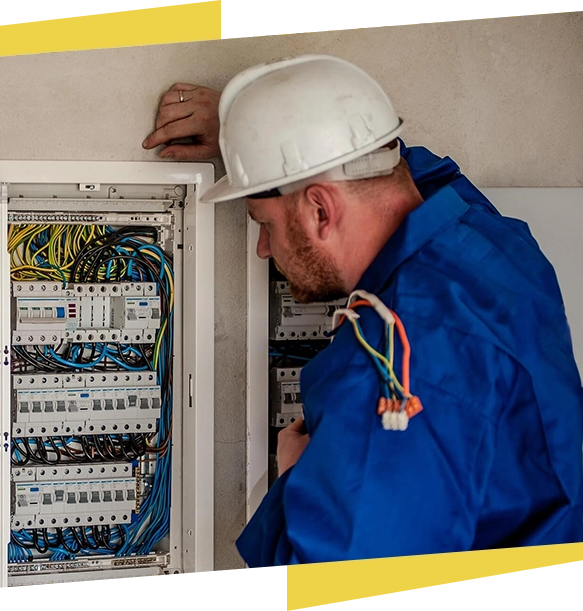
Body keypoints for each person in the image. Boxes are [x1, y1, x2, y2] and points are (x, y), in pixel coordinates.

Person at [143, 55, 583, 568]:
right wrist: (254, 135)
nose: (262, 248)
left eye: (263, 222)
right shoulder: (494, 243)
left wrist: (295, 484)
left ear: (320, 210)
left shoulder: (389, 373)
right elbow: (406, 168)